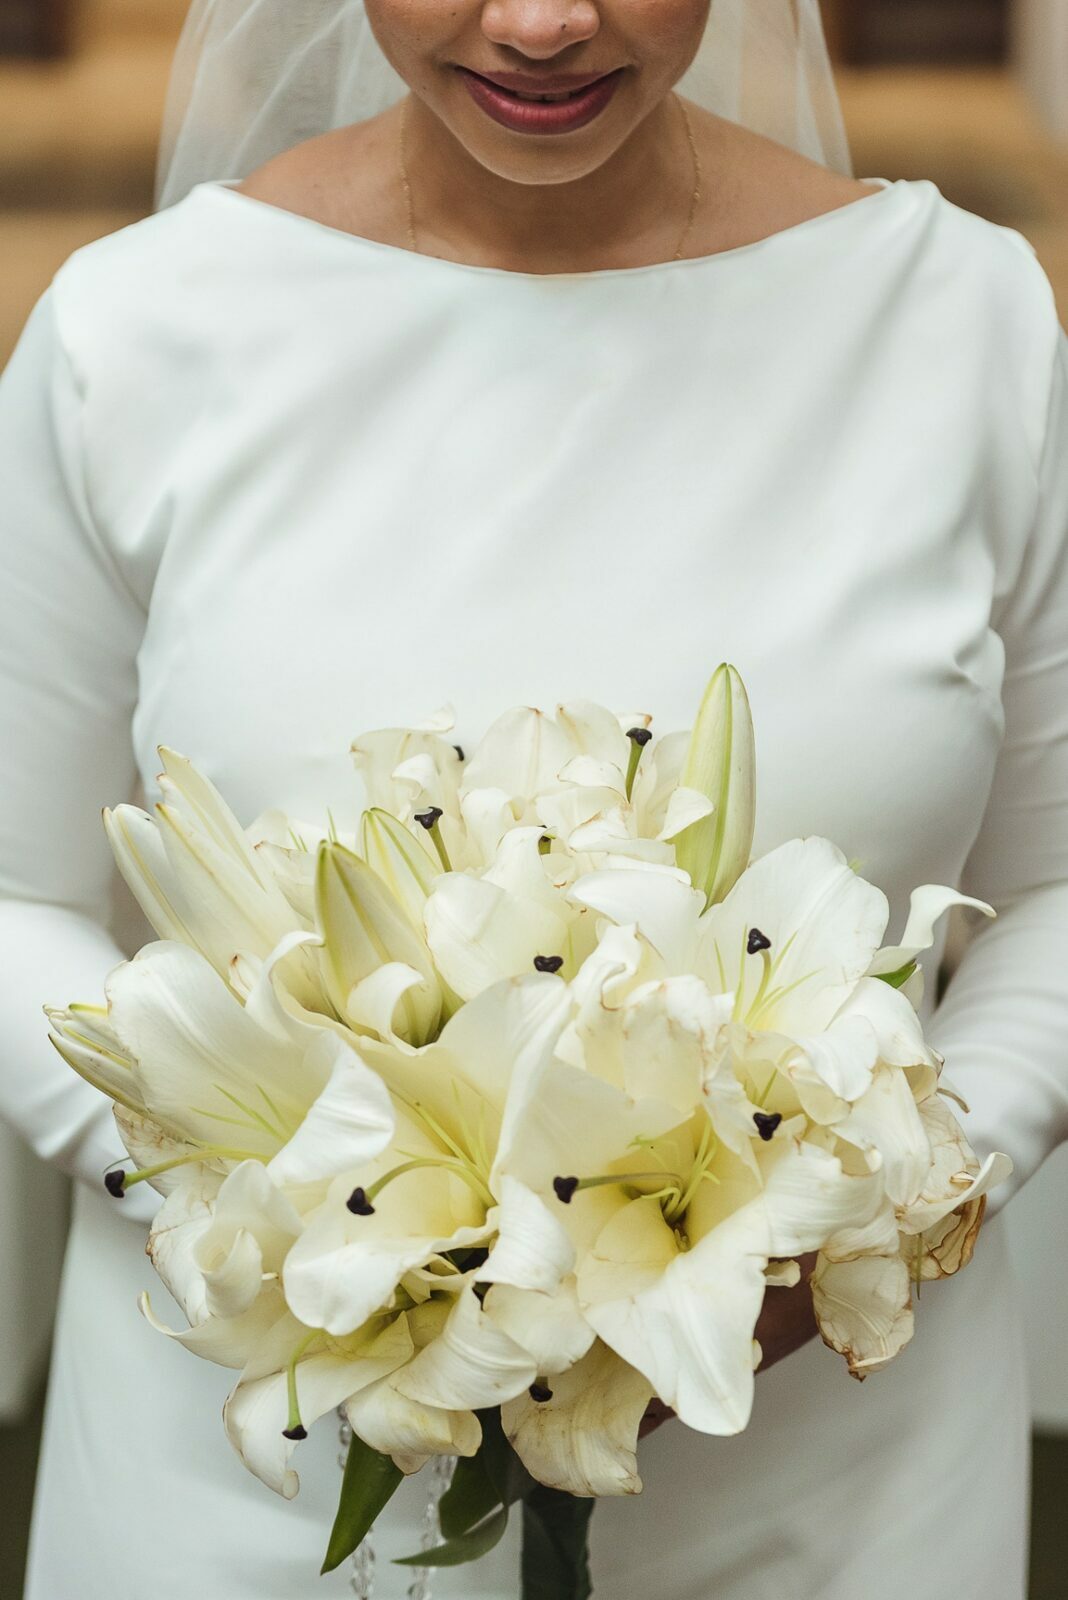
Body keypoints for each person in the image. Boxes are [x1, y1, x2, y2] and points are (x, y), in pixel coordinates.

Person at [1, 1, 1065, 1595]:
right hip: (262, 1470)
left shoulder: (964, 322)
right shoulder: (135, 333)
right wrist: (292, 1223)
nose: (545, 22)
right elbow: (12, 895)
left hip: (836, 1479)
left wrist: (878, 1217)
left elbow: (1055, 888)